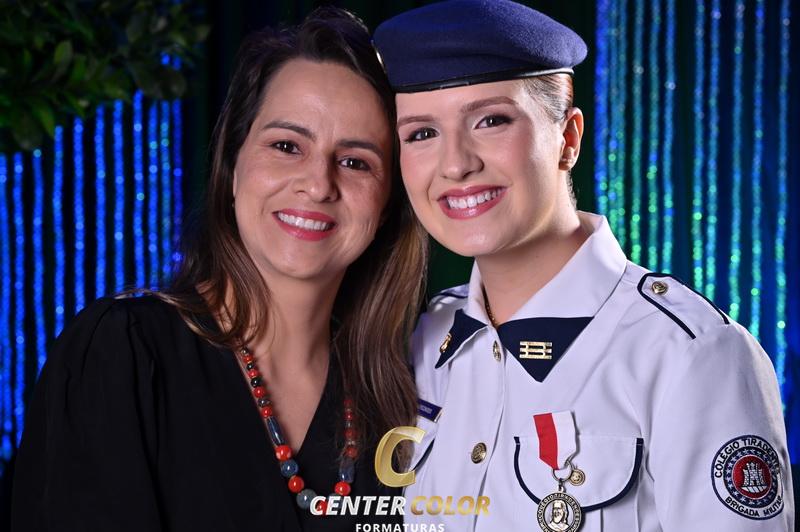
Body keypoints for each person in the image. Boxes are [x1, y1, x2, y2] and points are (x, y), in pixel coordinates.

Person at [373, 0, 794, 530]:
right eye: (421, 134)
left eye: (491, 120)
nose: (456, 164)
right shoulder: (422, 339)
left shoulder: (689, 355)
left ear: (567, 139)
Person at [12, 7, 426, 531]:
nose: (319, 184)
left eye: (355, 162)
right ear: (232, 167)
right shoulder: (124, 353)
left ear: (387, 203)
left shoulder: (398, 398)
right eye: (286, 146)